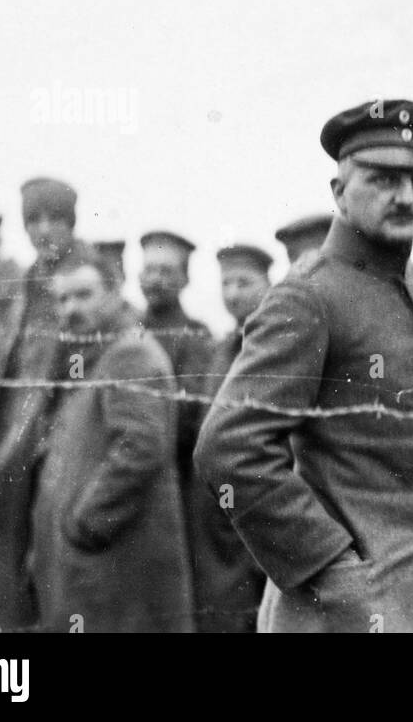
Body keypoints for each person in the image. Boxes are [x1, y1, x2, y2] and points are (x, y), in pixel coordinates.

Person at [196, 99, 413, 633]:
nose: (406, 196)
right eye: (383, 179)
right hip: (345, 615)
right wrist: (332, 571)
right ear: (339, 191)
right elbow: (230, 446)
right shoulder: (309, 296)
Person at [30, 248, 192, 632]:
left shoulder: (131, 354)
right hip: (92, 565)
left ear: (115, 293)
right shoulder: (93, 357)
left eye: (83, 295)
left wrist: (83, 523)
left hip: (113, 561)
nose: (70, 308)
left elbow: (140, 448)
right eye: (62, 299)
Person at [0, 176, 86, 631]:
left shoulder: (78, 278)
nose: (43, 229)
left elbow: (50, 378)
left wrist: (9, 456)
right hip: (18, 439)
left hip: (55, 445)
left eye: (54, 218)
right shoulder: (31, 278)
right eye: (33, 219)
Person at [189, 244, 273, 632]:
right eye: (226, 283)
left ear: (268, 284)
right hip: (214, 522)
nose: (234, 293)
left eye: (245, 282)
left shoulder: (274, 346)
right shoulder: (222, 349)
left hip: (254, 519)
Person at [138, 229, 213, 600]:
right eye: (150, 270)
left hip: (173, 479)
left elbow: (189, 414)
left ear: (185, 279)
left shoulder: (195, 336)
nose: (156, 280)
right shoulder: (128, 329)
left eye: (167, 271)